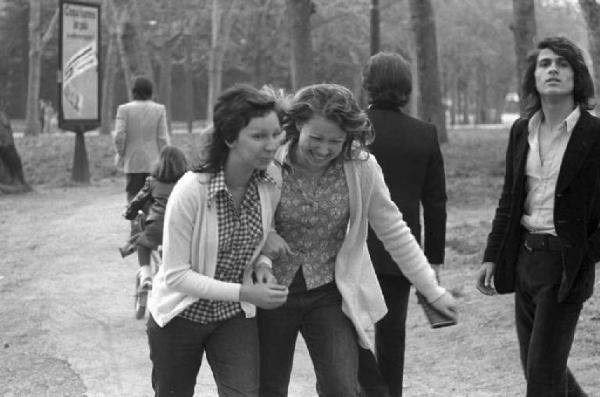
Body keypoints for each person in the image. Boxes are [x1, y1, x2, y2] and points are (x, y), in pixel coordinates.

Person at [255, 83, 457, 397]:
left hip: (328, 292)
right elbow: (234, 209)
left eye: (335, 141)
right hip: (271, 292)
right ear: (297, 126)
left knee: (341, 387)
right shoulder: (269, 160)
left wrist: (431, 289)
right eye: (316, 138)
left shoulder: (361, 167)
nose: (324, 149)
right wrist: (263, 235)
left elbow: (393, 229)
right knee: (268, 388)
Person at [475, 36, 599, 397]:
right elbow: (509, 199)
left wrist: (582, 255)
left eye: (563, 64)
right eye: (545, 64)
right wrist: (491, 256)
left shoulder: (595, 134)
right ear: (534, 77)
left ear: (577, 77)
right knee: (538, 368)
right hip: (525, 259)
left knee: (543, 378)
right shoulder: (521, 130)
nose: (553, 70)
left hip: (566, 266)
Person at [147, 84, 289, 397]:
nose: (272, 145)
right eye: (258, 136)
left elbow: (264, 234)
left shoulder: (271, 181)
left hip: (233, 318)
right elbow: (175, 275)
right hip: (180, 315)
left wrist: (263, 264)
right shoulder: (191, 191)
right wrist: (247, 292)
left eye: (276, 134)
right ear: (229, 138)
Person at [357, 51, 447, 397]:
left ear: (367, 86)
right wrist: (433, 259)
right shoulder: (424, 133)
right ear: (408, 90)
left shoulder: (353, 130)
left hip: (353, 247)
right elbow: (435, 202)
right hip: (401, 250)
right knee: (391, 333)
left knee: (350, 328)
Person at [119, 145, 188, 292]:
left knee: (142, 243)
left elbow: (138, 201)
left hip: (157, 227)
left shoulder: (152, 181)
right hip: (182, 228)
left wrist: (129, 213)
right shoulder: (187, 181)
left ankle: (146, 276)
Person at [113, 76, 169, 203]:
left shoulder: (124, 110)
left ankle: (135, 222)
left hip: (132, 162)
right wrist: (165, 159)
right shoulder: (159, 110)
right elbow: (162, 139)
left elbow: (119, 136)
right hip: (154, 163)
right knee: (153, 200)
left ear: (134, 92)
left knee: (133, 200)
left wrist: (121, 153)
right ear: (151, 92)